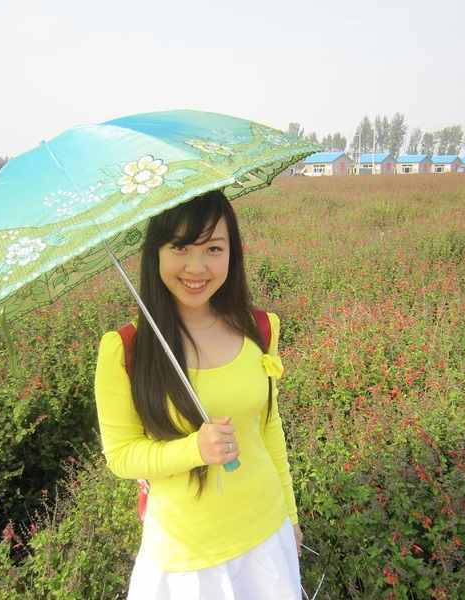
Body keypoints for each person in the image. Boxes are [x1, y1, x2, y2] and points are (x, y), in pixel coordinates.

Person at [95, 189, 302, 599]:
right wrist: (195, 450)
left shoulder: (260, 328)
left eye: (213, 248)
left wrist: (290, 516)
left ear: (232, 253)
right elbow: (121, 456)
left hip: (266, 533)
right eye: (180, 247)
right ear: (155, 253)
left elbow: (268, 428)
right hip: (186, 557)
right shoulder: (125, 350)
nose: (196, 267)